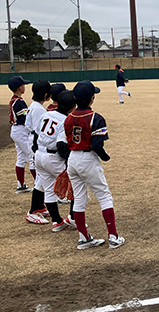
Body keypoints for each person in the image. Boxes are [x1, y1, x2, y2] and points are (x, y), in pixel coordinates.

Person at [64, 80, 125, 250]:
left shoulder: (68, 117)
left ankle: (84, 238)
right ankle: (113, 237)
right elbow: (97, 145)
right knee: (104, 196)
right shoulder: (96, 118)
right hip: (87, 158)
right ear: (92, 98)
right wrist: (106, 157)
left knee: (79, 199)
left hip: (72, 159)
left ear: (75, 97)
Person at [33, 90, 77, 231]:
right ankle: (72, 217)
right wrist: (68, 161)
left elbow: (35, 135)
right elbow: (61, 145)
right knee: (76, 184)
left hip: (39, 155)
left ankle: (57, 221)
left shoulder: (46, 114)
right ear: (72, 108)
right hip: (53, 157)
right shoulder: (65, 121)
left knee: (49, 189)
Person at [25, 80, 53, 224]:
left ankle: (40, 207)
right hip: (36, 143)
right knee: (41, 177)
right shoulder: (39, 110)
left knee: (42, 177)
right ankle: (33, 211)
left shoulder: (35, 106)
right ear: (47, 95)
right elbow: (38, 132)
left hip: (34, 141)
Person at [8, 76, 34, 194]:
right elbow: (24, 118)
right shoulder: (19, 102)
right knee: (32, 156)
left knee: (21, 158)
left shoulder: (13, 100)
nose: (25, 87)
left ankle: (21, 185)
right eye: (23, 85)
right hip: (21, 130)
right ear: (20, 87)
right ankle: (41, 184)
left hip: (16, 130)